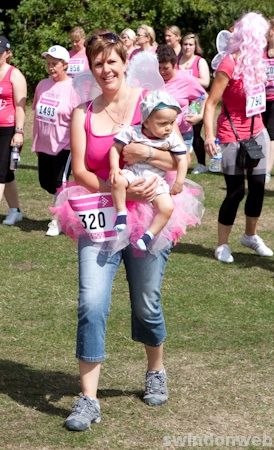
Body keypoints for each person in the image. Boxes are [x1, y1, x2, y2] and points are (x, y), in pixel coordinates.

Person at [63, 30, 188, 432]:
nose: (105, 70)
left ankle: (155, 369)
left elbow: (176, 161)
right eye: (97, 63)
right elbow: (81, 171)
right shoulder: (82, 112)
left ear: (124, 61)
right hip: (102, 214)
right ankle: (88, 400)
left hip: (151, 211)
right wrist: (118, 185)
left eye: (111, 61)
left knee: (146, 303)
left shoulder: (147, 102)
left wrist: (144, 154)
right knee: (91, 302)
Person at [204, 12, 273, 263]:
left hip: (257, 132)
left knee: (257, 187)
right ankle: (222, 244)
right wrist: (209, 136)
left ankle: (250, 235)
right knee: (235, 192)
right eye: (263, 35)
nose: (266, 39)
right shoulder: (228, 64)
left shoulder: (259, 64)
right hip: (231, 134)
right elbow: (211, 103)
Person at [110, 90, 186, 251]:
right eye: (162, 123)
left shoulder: (171, 138)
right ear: (146, 122)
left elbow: (182, 159)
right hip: (133, 172)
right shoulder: (133, 131)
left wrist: (179, 181)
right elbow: (115, 148)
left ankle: (148, 235)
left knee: (167, 207)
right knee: (117, 181)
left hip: (155, 180)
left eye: (172, 123)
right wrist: (115, 168)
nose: (168, 128)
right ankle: (121, 213)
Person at [32, 45, 79, 236]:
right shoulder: (42, 85)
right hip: (45, 143)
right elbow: (36, 111)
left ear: (65, 65)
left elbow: (78, 118)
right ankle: (70, 209)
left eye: (55, 64)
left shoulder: (73, 88)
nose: (51, 67)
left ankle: (56, 221)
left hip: (65, 144)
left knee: (61, 183)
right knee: (47, 183)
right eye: (49, 64)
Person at [156, 44, 207, 164]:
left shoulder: (186, 79)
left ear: (174, 65)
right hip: (158, 134)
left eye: (166, 68)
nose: (162, 72)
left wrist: (196, 114)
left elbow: (201, 96)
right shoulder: (154, 80)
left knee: (178, 168)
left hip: (183, 133)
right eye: (159, 68)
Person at [0, 35, 27, 226]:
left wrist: (19, 131)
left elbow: (20, 106)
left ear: (8, 53)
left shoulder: (14, 75)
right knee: (7, 174)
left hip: (8, 129)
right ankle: (15, 210)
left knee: (0, 173)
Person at [179, 33, 210, 174]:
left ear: (195, 46)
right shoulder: (176, 60)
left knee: (195, 132)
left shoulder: (199, 61)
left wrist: (188, 78)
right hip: (180, 101)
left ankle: (202, 164)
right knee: (178, 131)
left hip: (196, 101)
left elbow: (206, 82)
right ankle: (179, 161)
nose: (187, 47)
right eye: (185, 44)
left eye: (190, 44)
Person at [262, 18, 274, 183]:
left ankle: (267, 170)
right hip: (259, 99)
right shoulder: (260, 51)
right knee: (258, 133)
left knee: (271, 135)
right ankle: (257, 165)